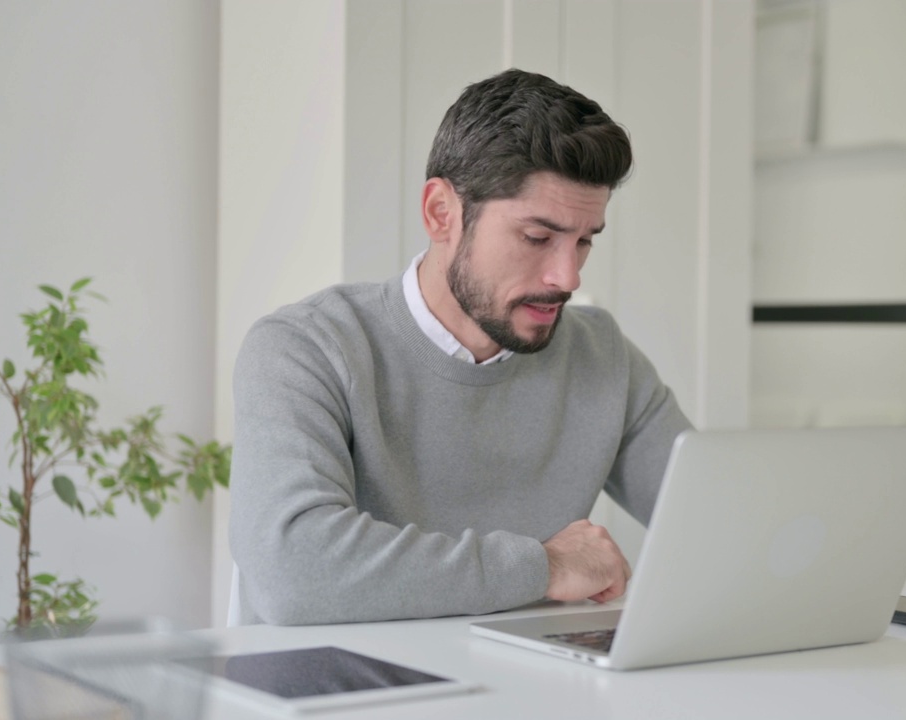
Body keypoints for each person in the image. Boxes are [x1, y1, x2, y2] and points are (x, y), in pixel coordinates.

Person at [228, 69, 692, 625]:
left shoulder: (602, 357)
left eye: (585, 240)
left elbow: (719, 524)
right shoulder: (305, 349)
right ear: (441, 213)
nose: (567, 276)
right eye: (538, 238)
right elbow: (294, 570)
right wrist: (543, 567)